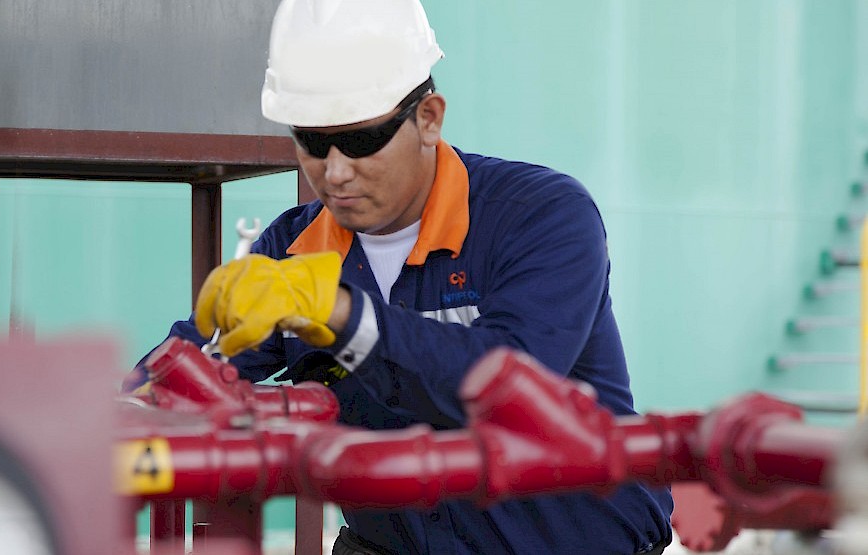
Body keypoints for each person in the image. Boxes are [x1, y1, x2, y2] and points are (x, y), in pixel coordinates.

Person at [127, 0, 673, 553]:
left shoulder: (539, 216)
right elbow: (175, 379)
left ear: (429, 118)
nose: (335, 172)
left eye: (363, 141)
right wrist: (136, 400)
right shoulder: (291, 252)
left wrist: (345, 316)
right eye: (312, 142)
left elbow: (513, 387)